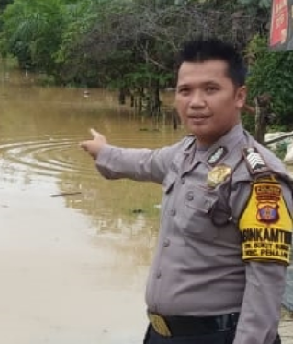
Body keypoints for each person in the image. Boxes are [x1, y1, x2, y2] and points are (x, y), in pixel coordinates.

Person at [80, 38, 291, 344]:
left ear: (239, 96)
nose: (195, 102)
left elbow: (266, 287)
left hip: (219, 335)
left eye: (211, 89)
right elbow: (145, 163)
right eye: (185, 90)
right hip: (162, 333)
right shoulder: (187, 152)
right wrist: (103, 151)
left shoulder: (259, 179)